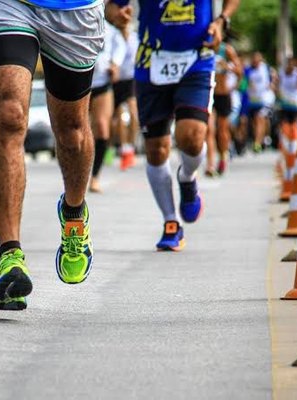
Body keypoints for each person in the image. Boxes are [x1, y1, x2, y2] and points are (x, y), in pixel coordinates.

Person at [0, 0, 104, 310]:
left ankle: (73, 214)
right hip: (8, 5)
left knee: (72, 132)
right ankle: (10, 255)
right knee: (9, 115)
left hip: (74, 10)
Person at [107, 0, 240, 251]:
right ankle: (171, 221)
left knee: (191, 137)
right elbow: (113, 6)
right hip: (151, 62)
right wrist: (116, 13)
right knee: (157, 149)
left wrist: (222, 20)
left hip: (197, 59)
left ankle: (187, 176)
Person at [89, 22, 126, 193]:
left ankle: (95, 177)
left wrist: (115, 64)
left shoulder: (110, 29)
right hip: (79, 83)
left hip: (102, 83)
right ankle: (77, 176)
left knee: (103, 129)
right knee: (77, 132)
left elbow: (121, 47)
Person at [205, 38, 241, 176]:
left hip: (223, 95)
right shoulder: (204, 48)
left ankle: (223, 158)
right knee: (209, 129)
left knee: (222, 131)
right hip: (208, 94)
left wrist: (227, 67)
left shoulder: (226, 50)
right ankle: (210, 165)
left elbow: (239, 71)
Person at [113, 21, 139, 172]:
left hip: (131, 80)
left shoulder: (135, 39)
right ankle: (123, 148)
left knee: (134, 114)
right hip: (116, 81)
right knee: (118, 118)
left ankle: (130, 147)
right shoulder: (114, 37)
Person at [246, 51, 273, 153]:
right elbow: (245, 81)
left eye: (258, 59)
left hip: (263, 100)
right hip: (252, 100)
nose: (255, 61)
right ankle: (260, 140)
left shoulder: (265, 68)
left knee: (259, 120)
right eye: (254, 59)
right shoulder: (249, 69)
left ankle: (257, 143)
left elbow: (272, 80)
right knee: (254, 123)